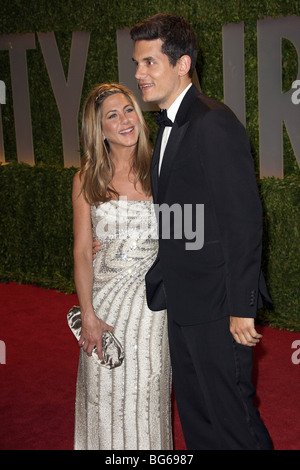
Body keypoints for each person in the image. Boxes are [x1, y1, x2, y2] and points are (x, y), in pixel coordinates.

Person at [129, 13, 273, 450]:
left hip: (217, 306)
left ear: (182, 64)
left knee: (233, 422)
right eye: (137, 63)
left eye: (150, 63)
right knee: (198, 420)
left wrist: (242, 306)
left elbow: (243, 221)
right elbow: (182, 215)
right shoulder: (169, 125)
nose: (139, 74)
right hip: (183, 300)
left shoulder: (213, 122)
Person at [72, 82, 172, 450]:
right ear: (98, 130)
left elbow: (186, 235)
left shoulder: (162, 168)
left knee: (147, 398)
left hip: (152, 308)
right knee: (102, 396)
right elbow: (82, 252)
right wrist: (87, 314)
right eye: (112, 116)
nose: (125, 120)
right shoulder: (85, 179)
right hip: (105, 306)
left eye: (128, 109)